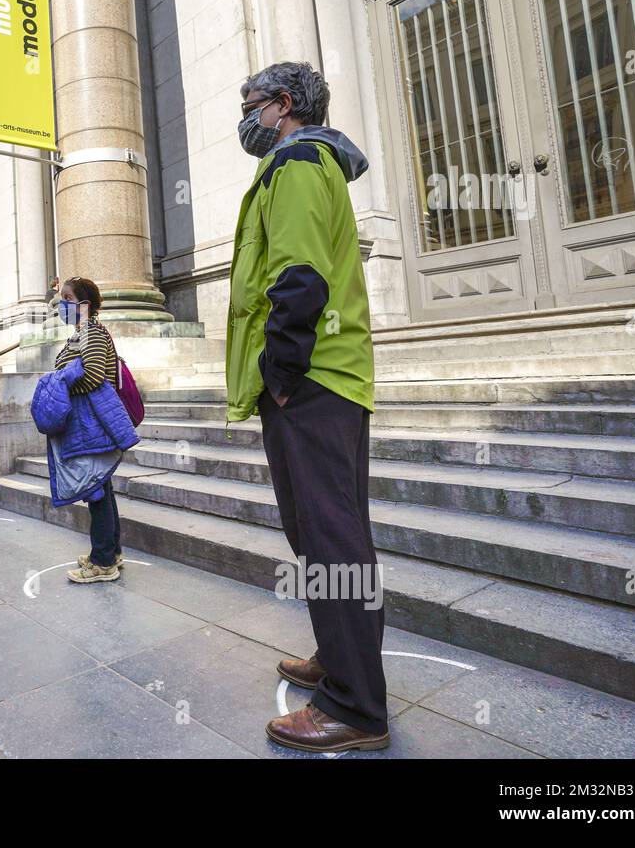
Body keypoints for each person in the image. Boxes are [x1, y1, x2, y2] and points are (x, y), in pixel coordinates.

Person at [227, 61, 387, 753]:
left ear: (283, 105)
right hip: (330, 380)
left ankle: (353, 707)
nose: (247, 118)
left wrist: (280, 371)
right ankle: (339, 655)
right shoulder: (313, 164)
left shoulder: (294, 165)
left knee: (329, 538)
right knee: (329, 534)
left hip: (311, 381)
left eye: (252, 105)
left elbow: (297, 276)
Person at [52, 277, 130, 584]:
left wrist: (60, 388)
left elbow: (95, 374)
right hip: (88, 424)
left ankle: (102, 563)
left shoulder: (92, 333)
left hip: (93, 424)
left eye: (67, 298)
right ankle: (111, 552)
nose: (61, 304)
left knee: (95, 489)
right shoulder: (82, 333)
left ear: (83, 305)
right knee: (102, 488)